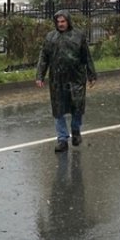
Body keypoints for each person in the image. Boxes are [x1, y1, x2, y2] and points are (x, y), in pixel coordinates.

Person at [35, 11, 98, 152]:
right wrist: (40, 75)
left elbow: (86, 56)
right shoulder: (50, 37)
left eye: (63, 21)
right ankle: (62, 139)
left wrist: (91, 74)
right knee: (58, 110)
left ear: (68, 21)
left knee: (77, 106)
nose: (60, 24)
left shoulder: (78, 36)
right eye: (58, 22)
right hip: (57, 80)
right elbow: (44, 57)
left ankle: (76, 131)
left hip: (76, 78)